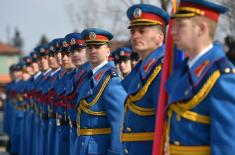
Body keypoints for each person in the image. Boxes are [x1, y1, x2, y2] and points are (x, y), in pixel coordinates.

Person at [164, 0, 235, 154]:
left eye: (180, 25)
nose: (172, 31)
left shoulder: (221, 77)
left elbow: (226, 147)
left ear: (201, 29)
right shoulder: (183, 71)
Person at [121, 4, 169, 155]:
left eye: (142, 31)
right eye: (133, 31)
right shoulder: (141, 69)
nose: (135, 36)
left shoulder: (162, 69)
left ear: (159, 37)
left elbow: (166, 124)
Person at [73, 28, 127, 155]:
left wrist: (115, 152)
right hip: (82, 146)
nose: (92, 50)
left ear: (108, 50)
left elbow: (118, 122)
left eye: (97, 46)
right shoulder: (88, 77)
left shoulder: (111, 80)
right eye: (89, 47)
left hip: (98, 148)